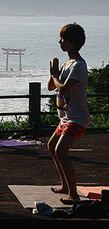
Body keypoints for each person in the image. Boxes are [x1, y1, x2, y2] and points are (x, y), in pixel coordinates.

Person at [47, 23, 89, 205]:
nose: (60, 42)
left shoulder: (78, 66)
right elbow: (51, 87)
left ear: (73, 43)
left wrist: (56, 76)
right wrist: (53, 73)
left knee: (60, 150)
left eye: (63, 39)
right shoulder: (67, 64)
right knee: (52, 146)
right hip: (65, 118)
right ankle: (65, 186)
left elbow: (62, 90)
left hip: (77, 118)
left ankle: (74, 194)